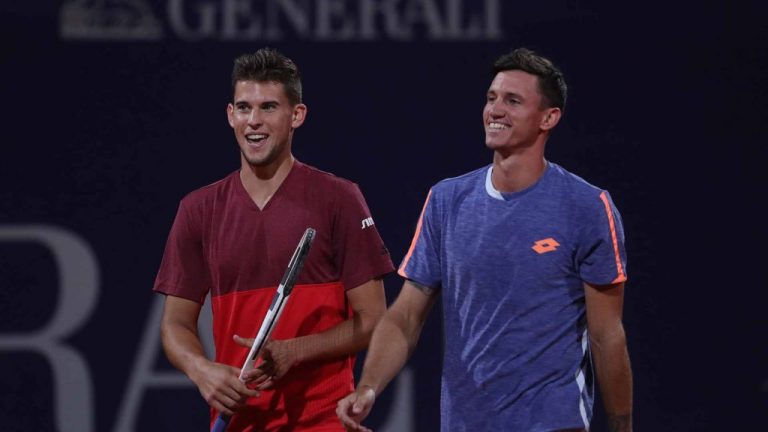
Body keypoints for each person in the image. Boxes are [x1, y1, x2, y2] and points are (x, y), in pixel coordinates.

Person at [337, 48, 633, 432]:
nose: (495, 110)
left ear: (549, 118)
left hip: (552, 421)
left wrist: (622, 425)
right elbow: (406, 315)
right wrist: (369, 387)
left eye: (513, 101)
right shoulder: (446, 200)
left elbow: (606, 334)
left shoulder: (587, 207)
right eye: (491, 98)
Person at [154, 48, 395, 431]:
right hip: (239, 422)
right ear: (230, 115)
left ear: (296, 115)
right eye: (244, 108)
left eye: (268, 107)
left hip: (324, 421)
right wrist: (202, 370)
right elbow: (174, 324)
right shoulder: (197, 209)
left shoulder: (339, 199)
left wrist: (294, 352)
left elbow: (374, 320)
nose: (254, 121)